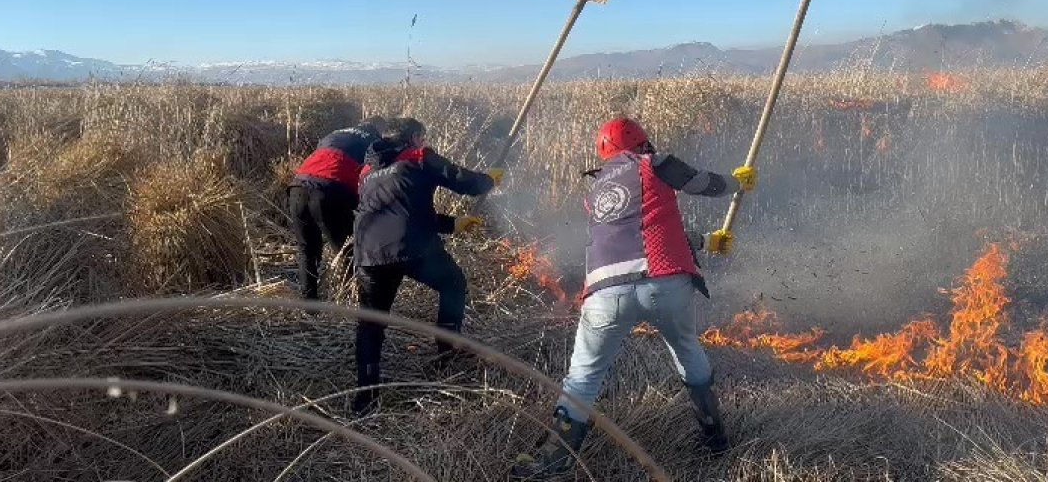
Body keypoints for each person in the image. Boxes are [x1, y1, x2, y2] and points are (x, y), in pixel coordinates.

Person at [511, 117, 757, 479]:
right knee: (687, 349)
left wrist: (706, 241)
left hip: (604, 291)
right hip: (665, 279)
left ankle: (554, 459)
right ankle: (715, 437)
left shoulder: (594, 194)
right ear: (642, 144)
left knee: (583, 374)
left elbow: (639, 229)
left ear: (606, 155)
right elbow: (702, 183)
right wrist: (739, 182)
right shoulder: (654, 163)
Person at [351, 117, 504, 416]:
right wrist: (488, 180)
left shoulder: (368, 172)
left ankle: (364, 398)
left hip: (369, 251)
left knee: (370, 322)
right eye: (422, 137)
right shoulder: (419, 157)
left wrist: (453, 224)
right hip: (412, 249)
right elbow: (463, 181)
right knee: (453, 283)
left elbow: (403, 211)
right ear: (416, 137)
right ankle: (448, 351)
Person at [286, 116, 387, 299]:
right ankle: (356, 300)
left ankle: (308, 304)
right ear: (380, 130)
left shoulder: (334, 134)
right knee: (349, 247)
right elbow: (376, 179)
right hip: (330, 191)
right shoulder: (375, 142)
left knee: (307, 249)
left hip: (298, 187)